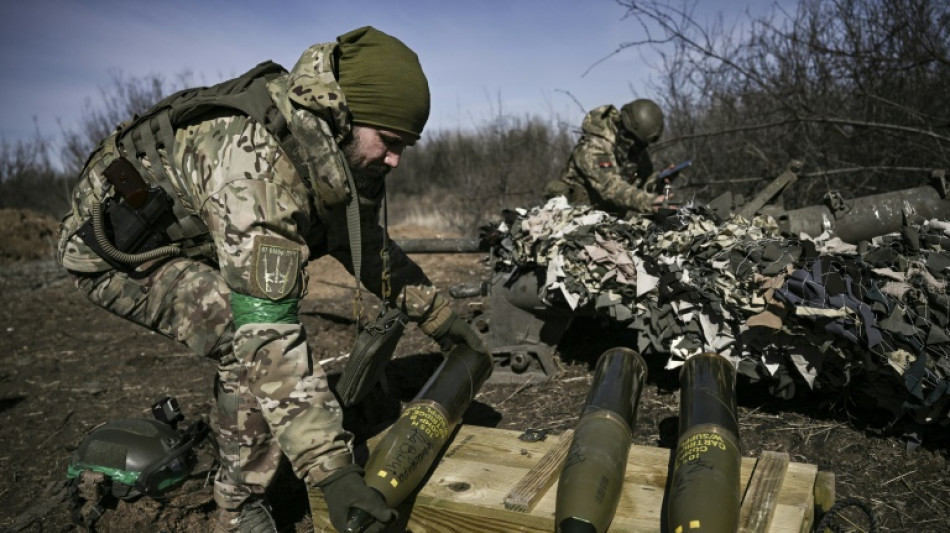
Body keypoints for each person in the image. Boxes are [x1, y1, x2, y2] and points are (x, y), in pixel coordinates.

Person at [56, 26, 485, 533]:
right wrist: (335, 472)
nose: (396, 159)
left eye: (405, 146)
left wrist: (440, 319)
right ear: (343, 115)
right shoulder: (255, 173)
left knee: (257, 339)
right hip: (120, 255)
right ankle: (238, 511)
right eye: (390, 142)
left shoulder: (322, 148)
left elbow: (365, 245)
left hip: (197, 234)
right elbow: (268, 334)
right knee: (244, 343)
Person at [543, 99, 668, 217]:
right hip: (576, 216)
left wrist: (657, 182)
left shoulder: (631, 147)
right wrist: (649, 202)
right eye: (639, 144)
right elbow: (610, 188)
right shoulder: (593, 147)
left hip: (607, 218)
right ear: (627, 134)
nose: (642, 149)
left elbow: (642, 181)